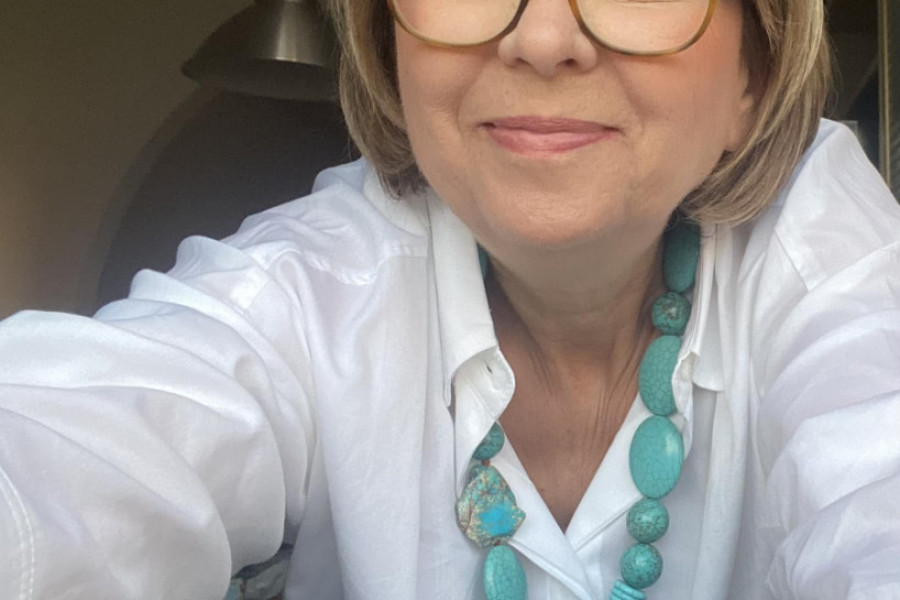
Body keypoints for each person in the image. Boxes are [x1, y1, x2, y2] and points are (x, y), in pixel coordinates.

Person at [1, 0, 899, 598]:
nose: (542, 39)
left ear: (752, 75)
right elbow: (72, 440)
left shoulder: (827, 249)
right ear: (390, 50)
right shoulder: (305, 287)